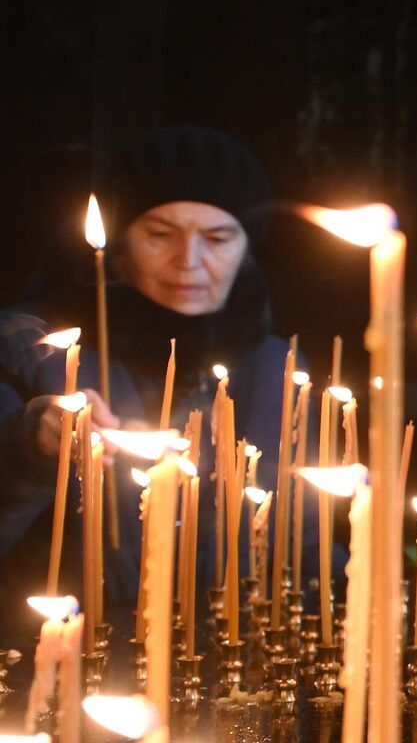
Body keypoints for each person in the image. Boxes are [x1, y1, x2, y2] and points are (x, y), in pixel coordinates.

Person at [0, 127, 301, 647]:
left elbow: (306, 539)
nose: (189, 261)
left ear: (248, 248)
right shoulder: (35, 356)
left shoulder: (275, 366)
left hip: (227, 667)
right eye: (160, 234)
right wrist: (28, 448)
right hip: (60, 659)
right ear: (118, 246)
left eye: (218, 238)